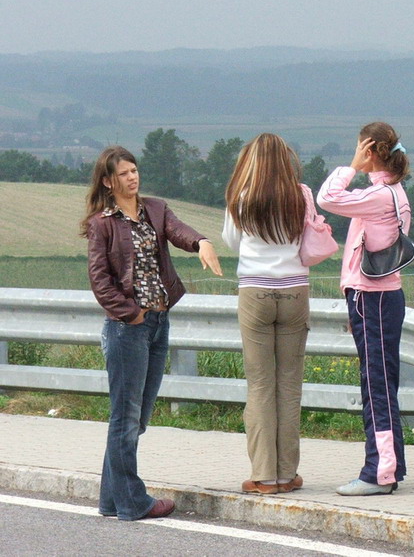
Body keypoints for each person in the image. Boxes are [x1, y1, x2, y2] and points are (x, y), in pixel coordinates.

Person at [81, 145, 222, 520]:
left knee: (136, 418)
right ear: (108, 182)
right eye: (123, 173)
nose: (132, 177)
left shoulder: (155, 209)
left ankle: (111, 500)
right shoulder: (102, 224)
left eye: (134, 170)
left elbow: (178, 231)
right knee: (125, 419)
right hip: (127, 329)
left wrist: (202, 242)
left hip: (159, 323)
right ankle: (132, 501)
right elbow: (100, 281)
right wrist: (132, 314)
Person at [317, 122, 412, 496]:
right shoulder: (392, 192)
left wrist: (351, 166)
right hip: (383, 296)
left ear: (370, 151)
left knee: (376, 385)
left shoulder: (379, 196)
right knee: (382, 383)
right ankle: (389, 466)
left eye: (360, 148)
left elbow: (327, 198)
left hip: (372, 297)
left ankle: (379, 473)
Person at [222, 133, 314, 495]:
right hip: (295, 290)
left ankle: (264, 476)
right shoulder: (300, 194)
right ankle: (288, 474)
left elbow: (231, 241)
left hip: (255, 291)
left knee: (260, 384)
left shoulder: (242, 196)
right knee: (289, 385)